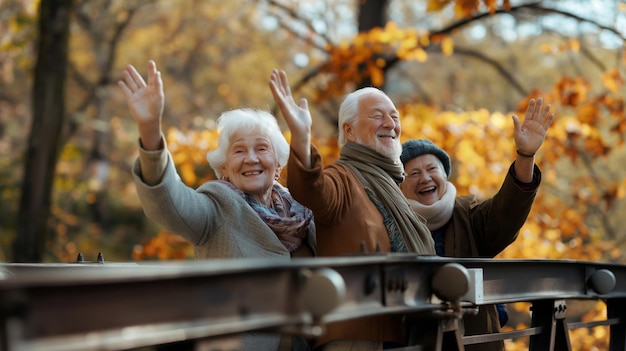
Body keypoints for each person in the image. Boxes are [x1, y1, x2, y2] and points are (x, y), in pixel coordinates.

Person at [119, 60, 316, 351]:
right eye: (238, 150)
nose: (251, 158)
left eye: (262, 148)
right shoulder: (217, 206)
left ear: (278, 164)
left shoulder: (302, 210)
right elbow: (169, 203)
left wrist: (303, 137)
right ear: (224, 168)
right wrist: (150, 131)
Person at [269, 69, 436, 351]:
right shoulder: (343, 177)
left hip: (399, 332)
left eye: (394, 116)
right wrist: (301, 138)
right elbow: (312, 188)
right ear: (348, 130)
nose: (390, 124)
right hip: (354, 335)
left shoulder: (392, 187)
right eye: (377, 115)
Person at [399, 98, 554, 351]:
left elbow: (506, 215)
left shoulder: (468, 215)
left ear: (444, 175)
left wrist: (526, 156)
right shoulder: (391, 223)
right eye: (413, 173)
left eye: (431, 169)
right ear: (399, 186)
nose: (425, 178)